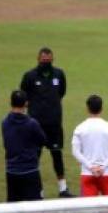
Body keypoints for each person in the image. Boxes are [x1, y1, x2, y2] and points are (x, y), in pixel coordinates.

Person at [20, 47, 72, 197]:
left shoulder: (59, 74)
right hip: (35, 125)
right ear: (38, 59)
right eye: (43, 60)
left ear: (52, 60)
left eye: (48, 60)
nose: (46, 62)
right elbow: (24, 96)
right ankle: (36, 190)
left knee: (57, 154)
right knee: (34, 157)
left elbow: (61, 92)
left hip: (54, 123)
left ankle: (63, 189)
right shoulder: (30, 76)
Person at [1, 90, 49, 213]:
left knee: (10, 204)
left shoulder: (5, 122)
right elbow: (43, 140)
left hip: (11, 170)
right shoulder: (31, 123)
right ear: (26, 104)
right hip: (29, 170)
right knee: (35, 205)